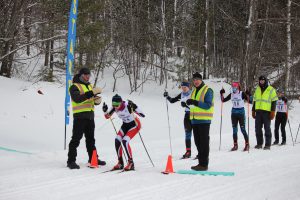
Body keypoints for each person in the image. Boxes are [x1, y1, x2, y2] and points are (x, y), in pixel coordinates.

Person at [67, 67, 106, 169]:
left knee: (91, 140)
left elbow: (89, 99)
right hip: (79, 117)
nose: (87, 76)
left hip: (89, 116)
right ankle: (71, 161)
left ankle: (93, 159)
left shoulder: (89, 86)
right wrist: (92, 93)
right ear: (81, 75)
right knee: (76, 139)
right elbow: (78, 99)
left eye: (89, 75)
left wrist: (96, 101)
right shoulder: (74, 86)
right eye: (85, 74)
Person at [102, 94, 145, 171]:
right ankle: (120, 163)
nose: (115, 106)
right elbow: (107, 117)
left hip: (135, 124)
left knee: (125, 141)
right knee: (117, 140)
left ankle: (131, 163)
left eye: (117, 104)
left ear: (121, 103)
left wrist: (135, 106)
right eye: (113, 104)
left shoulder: (127, 106)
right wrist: (105, 111)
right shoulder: (114, 108)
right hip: (125, 125)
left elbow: (142, 115)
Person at [186, 72, 214, 171]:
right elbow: (194, 105)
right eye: (194, 80)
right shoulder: (194, 91)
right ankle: (200, 163)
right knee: (198, 142)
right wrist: (187, 104)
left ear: (201, 80)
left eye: (197, 79)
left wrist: (194, 102)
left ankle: (204, 164)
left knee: (204, 143)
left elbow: (207, 105)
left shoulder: (207, 90)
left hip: (204, 120)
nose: (196, 81)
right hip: (194, 120)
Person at [163, 81, 193, 159]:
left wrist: (186, 104)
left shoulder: (193, 93)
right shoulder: (182, 94)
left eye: (185, 87)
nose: (183, 89)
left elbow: (196, 105)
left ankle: (200, 153)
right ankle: (188, 152)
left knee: (197, 134)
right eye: (182, 87)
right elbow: (173, 100)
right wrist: (167, 96)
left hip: (195, 114)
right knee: (187, 133)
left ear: (188, 87)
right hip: (187, 115)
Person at [220, 82, 249, 151]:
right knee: (234, 130)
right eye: (232, 87)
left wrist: (248, 94)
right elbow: (223, 100)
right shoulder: (231, 94)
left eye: (235, 87)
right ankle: (235, 145)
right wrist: (221, 93)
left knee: (243, 129)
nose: (234, 89)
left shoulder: (242, 93)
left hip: (241, 113)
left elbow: (249, 100)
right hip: (234, 113)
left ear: (238, 87)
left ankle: (247, 144)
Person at [252, 75, 278, 150]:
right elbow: (255, 101)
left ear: (265, 81)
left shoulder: (271, 89)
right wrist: (253, 110)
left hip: (267, 112)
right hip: (258, 112)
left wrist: (273, 111)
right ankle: (259, 143)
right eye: (260, 81)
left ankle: (267, 144)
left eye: (263, 80)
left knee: (267, 128)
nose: (262, 82)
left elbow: (274, 101)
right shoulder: (257, 89)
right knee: (257, 128)